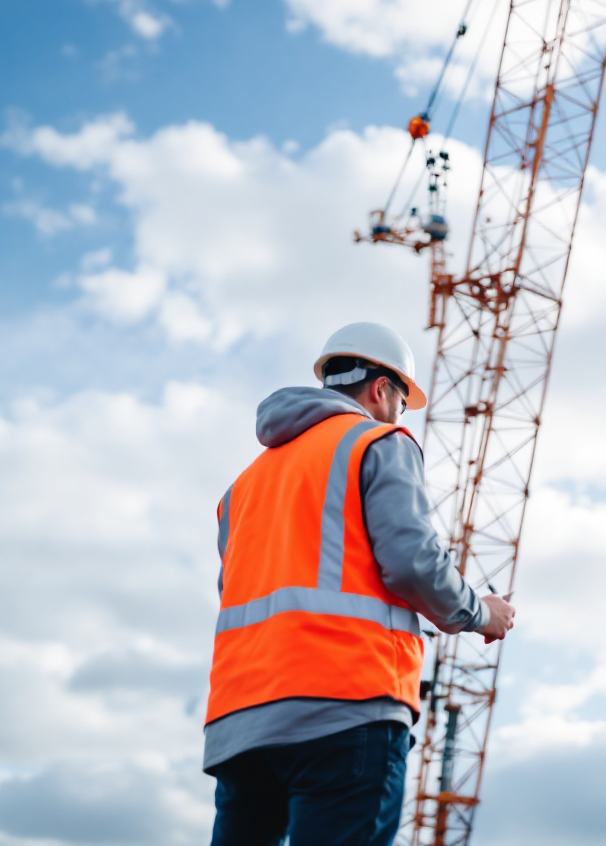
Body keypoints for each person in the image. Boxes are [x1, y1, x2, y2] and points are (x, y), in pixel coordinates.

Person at [203, 322, 516, 846]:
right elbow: (412, 563)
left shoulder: (244, 486)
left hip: (241, 722)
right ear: (380, 390)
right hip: (346, 703)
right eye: (401, 401)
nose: (400, 414)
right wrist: (480, 612)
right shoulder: (378, 441)